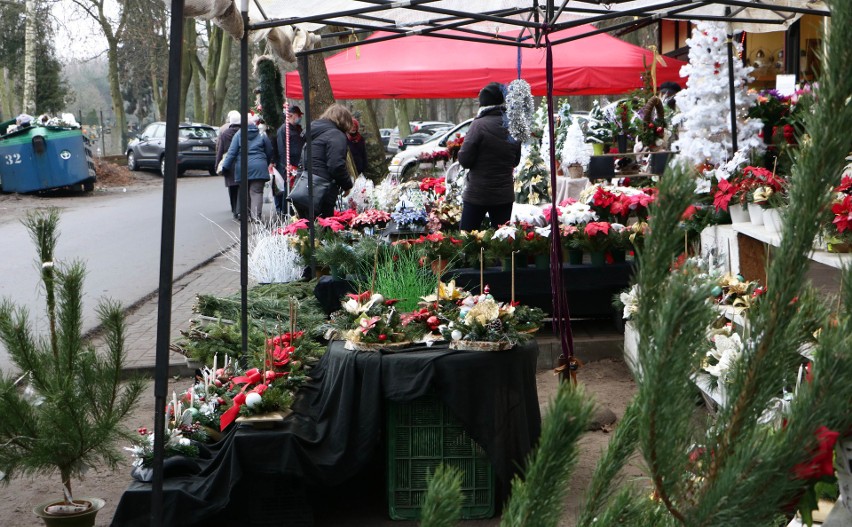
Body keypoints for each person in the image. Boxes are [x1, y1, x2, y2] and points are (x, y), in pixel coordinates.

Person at [457, 82, 522, 231]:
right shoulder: (513, 125)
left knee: (467, 238)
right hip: (504, 195)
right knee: (501, 240)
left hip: (477, 193)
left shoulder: (478, 125)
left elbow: (465, 160)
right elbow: (516, 160)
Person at [292, 103, 354, 220]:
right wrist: (347, 185)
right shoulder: (336, 135)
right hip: (322, 191)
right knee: (324, 229)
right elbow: (336, 165)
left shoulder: (314, 133)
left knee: (307, 229)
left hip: (303, 189)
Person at [220, 114, 274, 222]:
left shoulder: (239, 134)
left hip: (242, 168)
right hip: (259, 167)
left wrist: (225, 166)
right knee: (257, 192)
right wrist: (265, 162)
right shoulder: (262, 134)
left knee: (244, 192)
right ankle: (256, 217)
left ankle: (246, 215)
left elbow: (232, 152)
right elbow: (269, 150)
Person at [274, 105, 305, 214]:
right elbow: (282, 150)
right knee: (288, 192)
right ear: (291, 115)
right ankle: (285, 213)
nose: (300, 117)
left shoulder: (298, 128)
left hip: (299, 164)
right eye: (298, 115)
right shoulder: (283, 130)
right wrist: (287, 166)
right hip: (290, 166)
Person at [216, 110, 241, 219]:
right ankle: (239, 209)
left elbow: (220, 150)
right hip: (241, 162)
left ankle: (234, 208)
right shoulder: (243, 132)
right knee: (241, 187)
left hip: (229, 163)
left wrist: (217, 165)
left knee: (232, 187)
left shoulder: (224, 133)